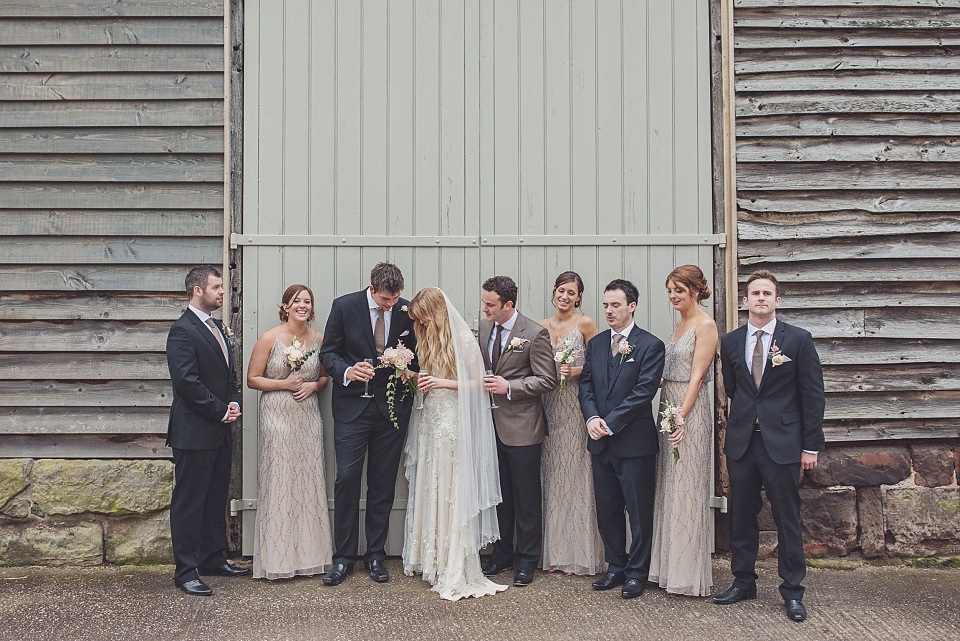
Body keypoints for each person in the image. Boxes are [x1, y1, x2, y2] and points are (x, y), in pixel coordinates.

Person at [714, 269, 825, 623]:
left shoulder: (798, 340)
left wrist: (811, 446)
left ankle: (793, 591)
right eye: (755, 293)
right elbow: (734, 389)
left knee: (786, 517)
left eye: (767, 293)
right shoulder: (730, 342)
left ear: (778, 300)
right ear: (745, 301)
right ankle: (743, 581)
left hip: (784, 444)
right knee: (742, 515)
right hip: (743, 442)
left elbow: (812, 396)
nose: (760, 298)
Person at [401, 287, 508, 601]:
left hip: (452, 423)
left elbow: (479, 385)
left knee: (451, 488)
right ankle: (433, 559)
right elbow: (429, 377)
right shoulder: (427, 339)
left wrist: (441, 382)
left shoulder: (463, 340)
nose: (419, 326)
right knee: (432, 486)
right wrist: (412, 375)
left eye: (423, 320)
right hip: (431, 420)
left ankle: (454, 563)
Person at [318, 262, 418, 586]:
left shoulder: (406, 310)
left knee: (382, 483)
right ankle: (344, 558)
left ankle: (376, 555)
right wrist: (347, 371)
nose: (391, 305)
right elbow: (329, 353)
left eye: (395, 298)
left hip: (392, 411)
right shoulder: (344, 306)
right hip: (351, 409)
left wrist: (409, 369)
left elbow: (418, 353)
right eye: (385, 300)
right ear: (372, 289)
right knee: (346, 479)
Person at [165, 265, 250, 596]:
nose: (222, 292)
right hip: (194, 432)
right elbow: (186, 382)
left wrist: (234, 402)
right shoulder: (182, 330)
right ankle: (186, 571)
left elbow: (228, 374)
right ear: (197, 290)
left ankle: (213, 559)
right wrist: (219, 410)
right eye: (216, 287)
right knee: (189, 502)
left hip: (220, 429)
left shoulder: (217, 327)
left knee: (216, 498)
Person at [579, 279, 665, 599]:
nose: (609, 311)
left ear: (632, 306)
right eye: (605, 305)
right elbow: (586, 386)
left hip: (634, 442)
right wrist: (591, 418)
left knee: (638, 511)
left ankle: (637, 573)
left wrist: (610, 423)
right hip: (599, 441)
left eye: (615, 305)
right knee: (608, 508)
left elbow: (643, 392)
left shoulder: (651, 345)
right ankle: (615, 565)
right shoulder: (597, 343)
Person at [246, 284, 333, 579]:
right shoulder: (270, 338)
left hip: (308, 415)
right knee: (280, 480)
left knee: (308, 480)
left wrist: (313, 385)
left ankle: (310, 556)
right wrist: (284, 384)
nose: (303, 305)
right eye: (297, 301)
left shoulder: (319, 339)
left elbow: (324, 377)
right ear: (285, 306)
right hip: (277, 415)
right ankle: (278, 559)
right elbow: (253, 379)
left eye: (307, 301)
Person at [478, 275, 558, 587]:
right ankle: (501, 555)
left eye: (490, 304)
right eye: (484, 302)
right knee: (501, 497)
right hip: (491, 425)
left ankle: (526, 561)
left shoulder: (535, 333)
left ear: (508, 305)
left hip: (523, 427)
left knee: (526, 497)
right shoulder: (485, 327)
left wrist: (509, 386)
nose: (484, 309)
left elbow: (547, 379)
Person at [649, 265, 718, 596]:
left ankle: (687, 574)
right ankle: (668, 567)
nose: (673, 296)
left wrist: (681, 415)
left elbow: (697, 376)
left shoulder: (705, 325)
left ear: (695, 290)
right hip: (669, 402)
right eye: (670, 291)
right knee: (670, 481)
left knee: (687, 482)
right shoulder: (680, 324)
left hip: (688, 409)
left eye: (678, 290)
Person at [538, 271, 604, 575]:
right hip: (548, 405)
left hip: (575, 405)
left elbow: (599, 363)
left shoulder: (585, 324)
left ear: (579, 297)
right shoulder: (540, 326)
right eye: (561, 290)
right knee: (551, 473)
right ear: (554, 292)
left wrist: (574, 371)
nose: (565, 297)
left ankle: (578, 553)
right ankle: (554, 553)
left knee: (576, 472)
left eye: (571, 293)